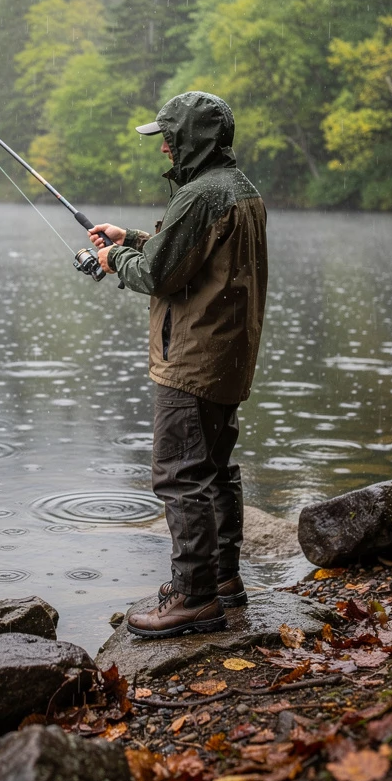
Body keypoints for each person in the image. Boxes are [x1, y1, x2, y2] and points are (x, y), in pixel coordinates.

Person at [89, 91, 267, 639]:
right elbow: (193, 256)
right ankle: (223, 577)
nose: (163, 147)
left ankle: (194, 597)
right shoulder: (239, 189)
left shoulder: (201, 195)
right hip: (228, 357)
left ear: (192, 139)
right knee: (215, 469)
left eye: (168, 137)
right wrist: (132, 238)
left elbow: (158, 275)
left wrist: (114, 258)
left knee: (179, 475)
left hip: (191, 359)